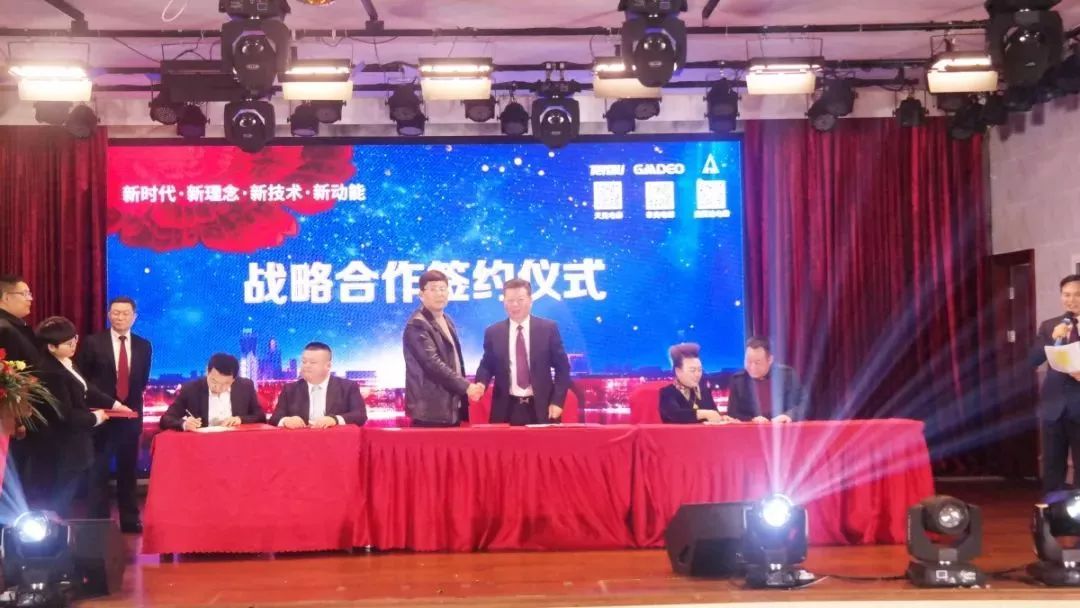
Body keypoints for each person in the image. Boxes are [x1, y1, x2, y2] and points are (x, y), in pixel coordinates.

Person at [75, 295, 150, 533]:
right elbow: (83, 379)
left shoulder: (144, 345)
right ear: (108, 315)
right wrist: (109, 403)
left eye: (125, 313)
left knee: (128, 470)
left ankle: (130, 520)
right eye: (115, 313)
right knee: (98, 470)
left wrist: (128, 408)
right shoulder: (93, 342)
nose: (120, 317)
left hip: (130, 418)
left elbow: (142, 380)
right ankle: (99, 522)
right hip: (102, 416)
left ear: (134, 317)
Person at [32, 317, 116, 518]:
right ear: (51, 347)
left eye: (75, 340)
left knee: (67, 495)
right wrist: (95, 418)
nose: (74, 346)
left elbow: (86, 388)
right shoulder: (51, 372)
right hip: (61, 445)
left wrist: (114, 404)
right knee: (60, 498)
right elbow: (66, 414)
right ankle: (54, 532)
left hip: (74, 443)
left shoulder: (66, 362)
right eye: (68, 343)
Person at [472, 278, 572, 425]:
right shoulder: (493, 332)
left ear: (530, 300)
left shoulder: (548, 329)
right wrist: (481, 383)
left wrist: (557, 401)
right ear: (504, 302)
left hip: (542, 408)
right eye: (510, 300)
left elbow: (562, 368)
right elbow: (487, 365)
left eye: (520, 300)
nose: (515, 305)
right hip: (506, 408)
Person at [1030, 274, 1080, 492]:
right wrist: (1054, 337)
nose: (1071, 300)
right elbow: (1033, 360)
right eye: (1066, 295)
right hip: (1054, 407)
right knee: (1052, 467)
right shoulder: (1050, 325)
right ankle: (1053, 510)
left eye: (1077, 295)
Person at [402, 270, 471, 427]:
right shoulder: (417, 324)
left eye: (442, 289)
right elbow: (432, 364)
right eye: (433, 289)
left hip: (450, 408)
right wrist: (466, 387)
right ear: (421, 294)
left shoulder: (446, 319)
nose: (439, 294)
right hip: (430, 412)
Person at [269, 342, 367, 428]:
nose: (306, 366)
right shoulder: (290, 389)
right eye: (304, 362)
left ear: (328, 366)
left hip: (335, 440)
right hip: (300, 441)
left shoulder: (348, 387)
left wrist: (334, 420)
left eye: (312, 362)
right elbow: (274, 419)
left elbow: (360, 416)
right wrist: (286, 420)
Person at [160, 353, 266, 431]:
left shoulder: (245, 386)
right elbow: (166, 419)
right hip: (202, 445)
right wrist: (184, 424)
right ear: (207, 371)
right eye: (214, 381)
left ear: (234, 379)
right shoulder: (191, 389)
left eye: (225, 384)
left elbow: (261, 416)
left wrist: (240, 419)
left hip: (237, 443)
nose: (218, 387)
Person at [726, 336, 807, 423]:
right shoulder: (738, 381)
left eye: (757, 362)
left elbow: (804, 404)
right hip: (751, 429)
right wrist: (752, 420)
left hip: (783, 428)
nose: (752, 367)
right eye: (748, 361)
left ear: (770, 360)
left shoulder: (787, 375)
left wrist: (788, 416)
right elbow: (733, 414)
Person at [658, 342, 729, 424]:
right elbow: (674, 414)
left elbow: (714, 413)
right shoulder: (667, 393)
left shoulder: (704, 391)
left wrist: (722, 418)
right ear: (678, 371)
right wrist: (702, 414)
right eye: (692, 370)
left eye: (699, 370)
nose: (697, 374)